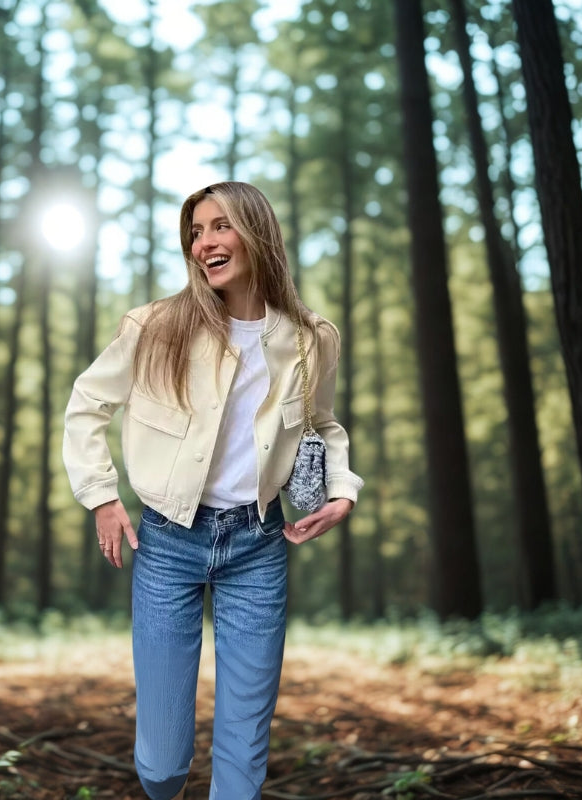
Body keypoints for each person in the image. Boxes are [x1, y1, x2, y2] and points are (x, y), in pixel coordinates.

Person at [63, 181, 363, 800]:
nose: (205, 243)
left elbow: (324, 423)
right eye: (196, 232)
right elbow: (89, 402)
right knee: (163, 760)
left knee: (246, 740)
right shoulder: (157, 326)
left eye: (220, 226)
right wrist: (101, 495)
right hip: (169, 543)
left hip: (258, 543)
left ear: (257, 232)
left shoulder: (310, 339)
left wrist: (342, 489)